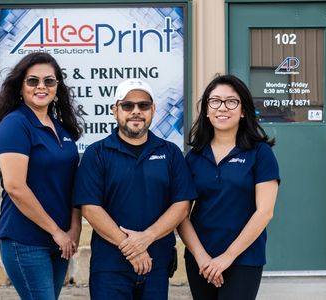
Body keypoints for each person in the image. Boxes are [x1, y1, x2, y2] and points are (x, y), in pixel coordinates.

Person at [73, 78, 197, 300]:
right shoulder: (97, 153)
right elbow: (90, 208)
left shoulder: (170, 153)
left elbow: (181, 206)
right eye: (127, 105)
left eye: (143, 105)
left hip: (156, 267)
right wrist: (133, 248)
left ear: (153, 110)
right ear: (115, 110)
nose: (136, 111)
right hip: (110, 269)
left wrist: (146, 238)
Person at [0, 52, 83, 300]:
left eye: (49, 81)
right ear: (20, 86)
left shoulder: (61, 128)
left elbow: (73, 183)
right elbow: (16, 187)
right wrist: (56, 231)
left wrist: (73, 228)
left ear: (57, 87)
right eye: (33, 81)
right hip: (26, 240)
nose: (41, 86)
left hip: (60, 241)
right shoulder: (15, 125)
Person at [177, 74, 280, 300]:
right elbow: (181, 214)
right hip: (200, 259)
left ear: (243, 110)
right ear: (206, 109)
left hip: (244, 258)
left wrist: (228, 257)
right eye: (215, 101)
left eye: (231, 101)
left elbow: (265, 212)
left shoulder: (260, 153)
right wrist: (202, 256)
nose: (222, 107)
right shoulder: (193, 158)